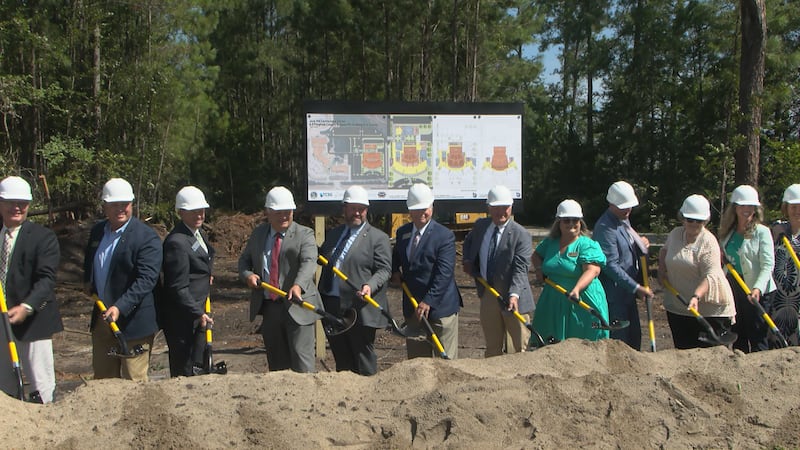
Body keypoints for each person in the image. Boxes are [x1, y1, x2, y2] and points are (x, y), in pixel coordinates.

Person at [84, 178, 162, 381]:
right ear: (105, 206)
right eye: (114, 205)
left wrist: (120, 307)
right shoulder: (97, 232)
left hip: (134, 323)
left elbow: (146, 279)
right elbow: (90, 262)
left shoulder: (146, 238)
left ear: (132, 205)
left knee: (133, 383)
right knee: (103, 381)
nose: (120, 209)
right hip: (103, 319)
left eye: (124, 205)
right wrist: (89, 283)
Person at [239, 186, 321, 373]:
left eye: (288, 212)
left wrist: (298, 285)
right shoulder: (259, 234)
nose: (284, 216)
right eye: (279, 212)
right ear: (268, 212)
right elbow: (244, 261)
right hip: (270, 307)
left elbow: (309, 262)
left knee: (302, 362)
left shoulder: (304, 234)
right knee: (277, 364)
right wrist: (248, 275)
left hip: (298, 306)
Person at [0, 176, 62, 403]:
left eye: (22, 203)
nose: (17, 207)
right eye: (10, 202)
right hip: (1, 320)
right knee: (4, 385)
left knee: (41, 385)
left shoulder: (42, 237)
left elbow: (46, 280)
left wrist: (27, 306)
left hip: (34, 321)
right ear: (0, 203)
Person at [318, 186, 391, 375]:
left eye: (362, 208)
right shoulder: (334, 235)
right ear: (344, 209)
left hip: (359, 307)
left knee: (362, 358)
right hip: (332, 305)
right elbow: (322, 258)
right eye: (353, 208)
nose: (357, 213)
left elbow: (384, 270)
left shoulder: (378, 238)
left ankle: (369, 398)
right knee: (341, 359)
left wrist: (369, 286)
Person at [391, 183, 462, 359]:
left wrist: (428, 301)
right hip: (413, 308)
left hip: (440, 309)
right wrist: (394, 271)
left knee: (446, 365)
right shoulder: (403, 233)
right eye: (418, 209)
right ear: (410, 211)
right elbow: (396, 257)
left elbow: (444, 273)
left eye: (426, 208)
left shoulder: (444, 236)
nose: (423, 213)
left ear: (432, 207)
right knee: (418, 365)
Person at [462, 185, 534, 356]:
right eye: (496, 208)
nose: (501, 212)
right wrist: (467, 260)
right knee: (492, 346)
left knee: (519, 348)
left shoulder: (520, 234)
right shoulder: (481, 226)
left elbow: (520, 268)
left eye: (505, 208)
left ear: (511, 207)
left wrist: (514, 294)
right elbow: (468, 242)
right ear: (489, 208)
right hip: (488, 293)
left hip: (513, 297)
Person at [658, 194, 735, 349]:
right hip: (679, 306)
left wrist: (696, 297)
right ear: (683, 218)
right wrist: (661, 271)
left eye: (698, 221)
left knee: (710, 358)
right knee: (684, 353)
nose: (693, 224)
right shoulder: (675, 234)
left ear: (705, 221)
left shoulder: (708, 242)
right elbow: (664, 252)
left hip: (709, 310)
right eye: (689, 219)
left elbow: (711, 275)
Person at [530, 199, 609, 344]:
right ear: (559, 222)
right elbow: (536, 256)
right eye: (566, 220)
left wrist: (577, 289)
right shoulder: (551, 243)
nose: (571, 224)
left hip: (582, 299)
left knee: (584, 343)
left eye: (575, 220)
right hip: (553, 299)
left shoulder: (587, 245)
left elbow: (592, 270)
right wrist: (539, 269)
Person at [160, 186, 215, 377]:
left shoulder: (198, 235)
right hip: (183, 318)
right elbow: (177, 287)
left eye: (201, 210)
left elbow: (203, 260)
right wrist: (197, 312)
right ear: (181, 212)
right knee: (185, 370)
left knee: (200, 367)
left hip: (198, 312)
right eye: (193, 211)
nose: (199, 214)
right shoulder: (177, 242)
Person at [593, 181, 653, 350]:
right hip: (615, 297)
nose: (628, 210)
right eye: (623, 207)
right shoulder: (605, 227)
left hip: (627, 294)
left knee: (634, 341)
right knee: (620, 345)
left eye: (630, 206)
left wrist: (640, 243)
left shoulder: (623, 220)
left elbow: (626, 246)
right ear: (611, 204)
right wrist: (636, 287)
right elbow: (610, 265)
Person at [718, 185, 775, 353]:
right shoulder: (727, 233)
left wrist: (758, 287)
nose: (746, 210)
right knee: (738, 333)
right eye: (742, 205)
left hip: (758, 291)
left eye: (750, 206)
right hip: (735, 287)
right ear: (735, 207)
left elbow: (767, 264)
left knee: (757, 334)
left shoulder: (762, 232)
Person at [765, 184, 800, 346]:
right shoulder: (776, 229)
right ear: (786, 208)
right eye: (793, 206)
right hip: (778, 294)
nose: (797, 210)